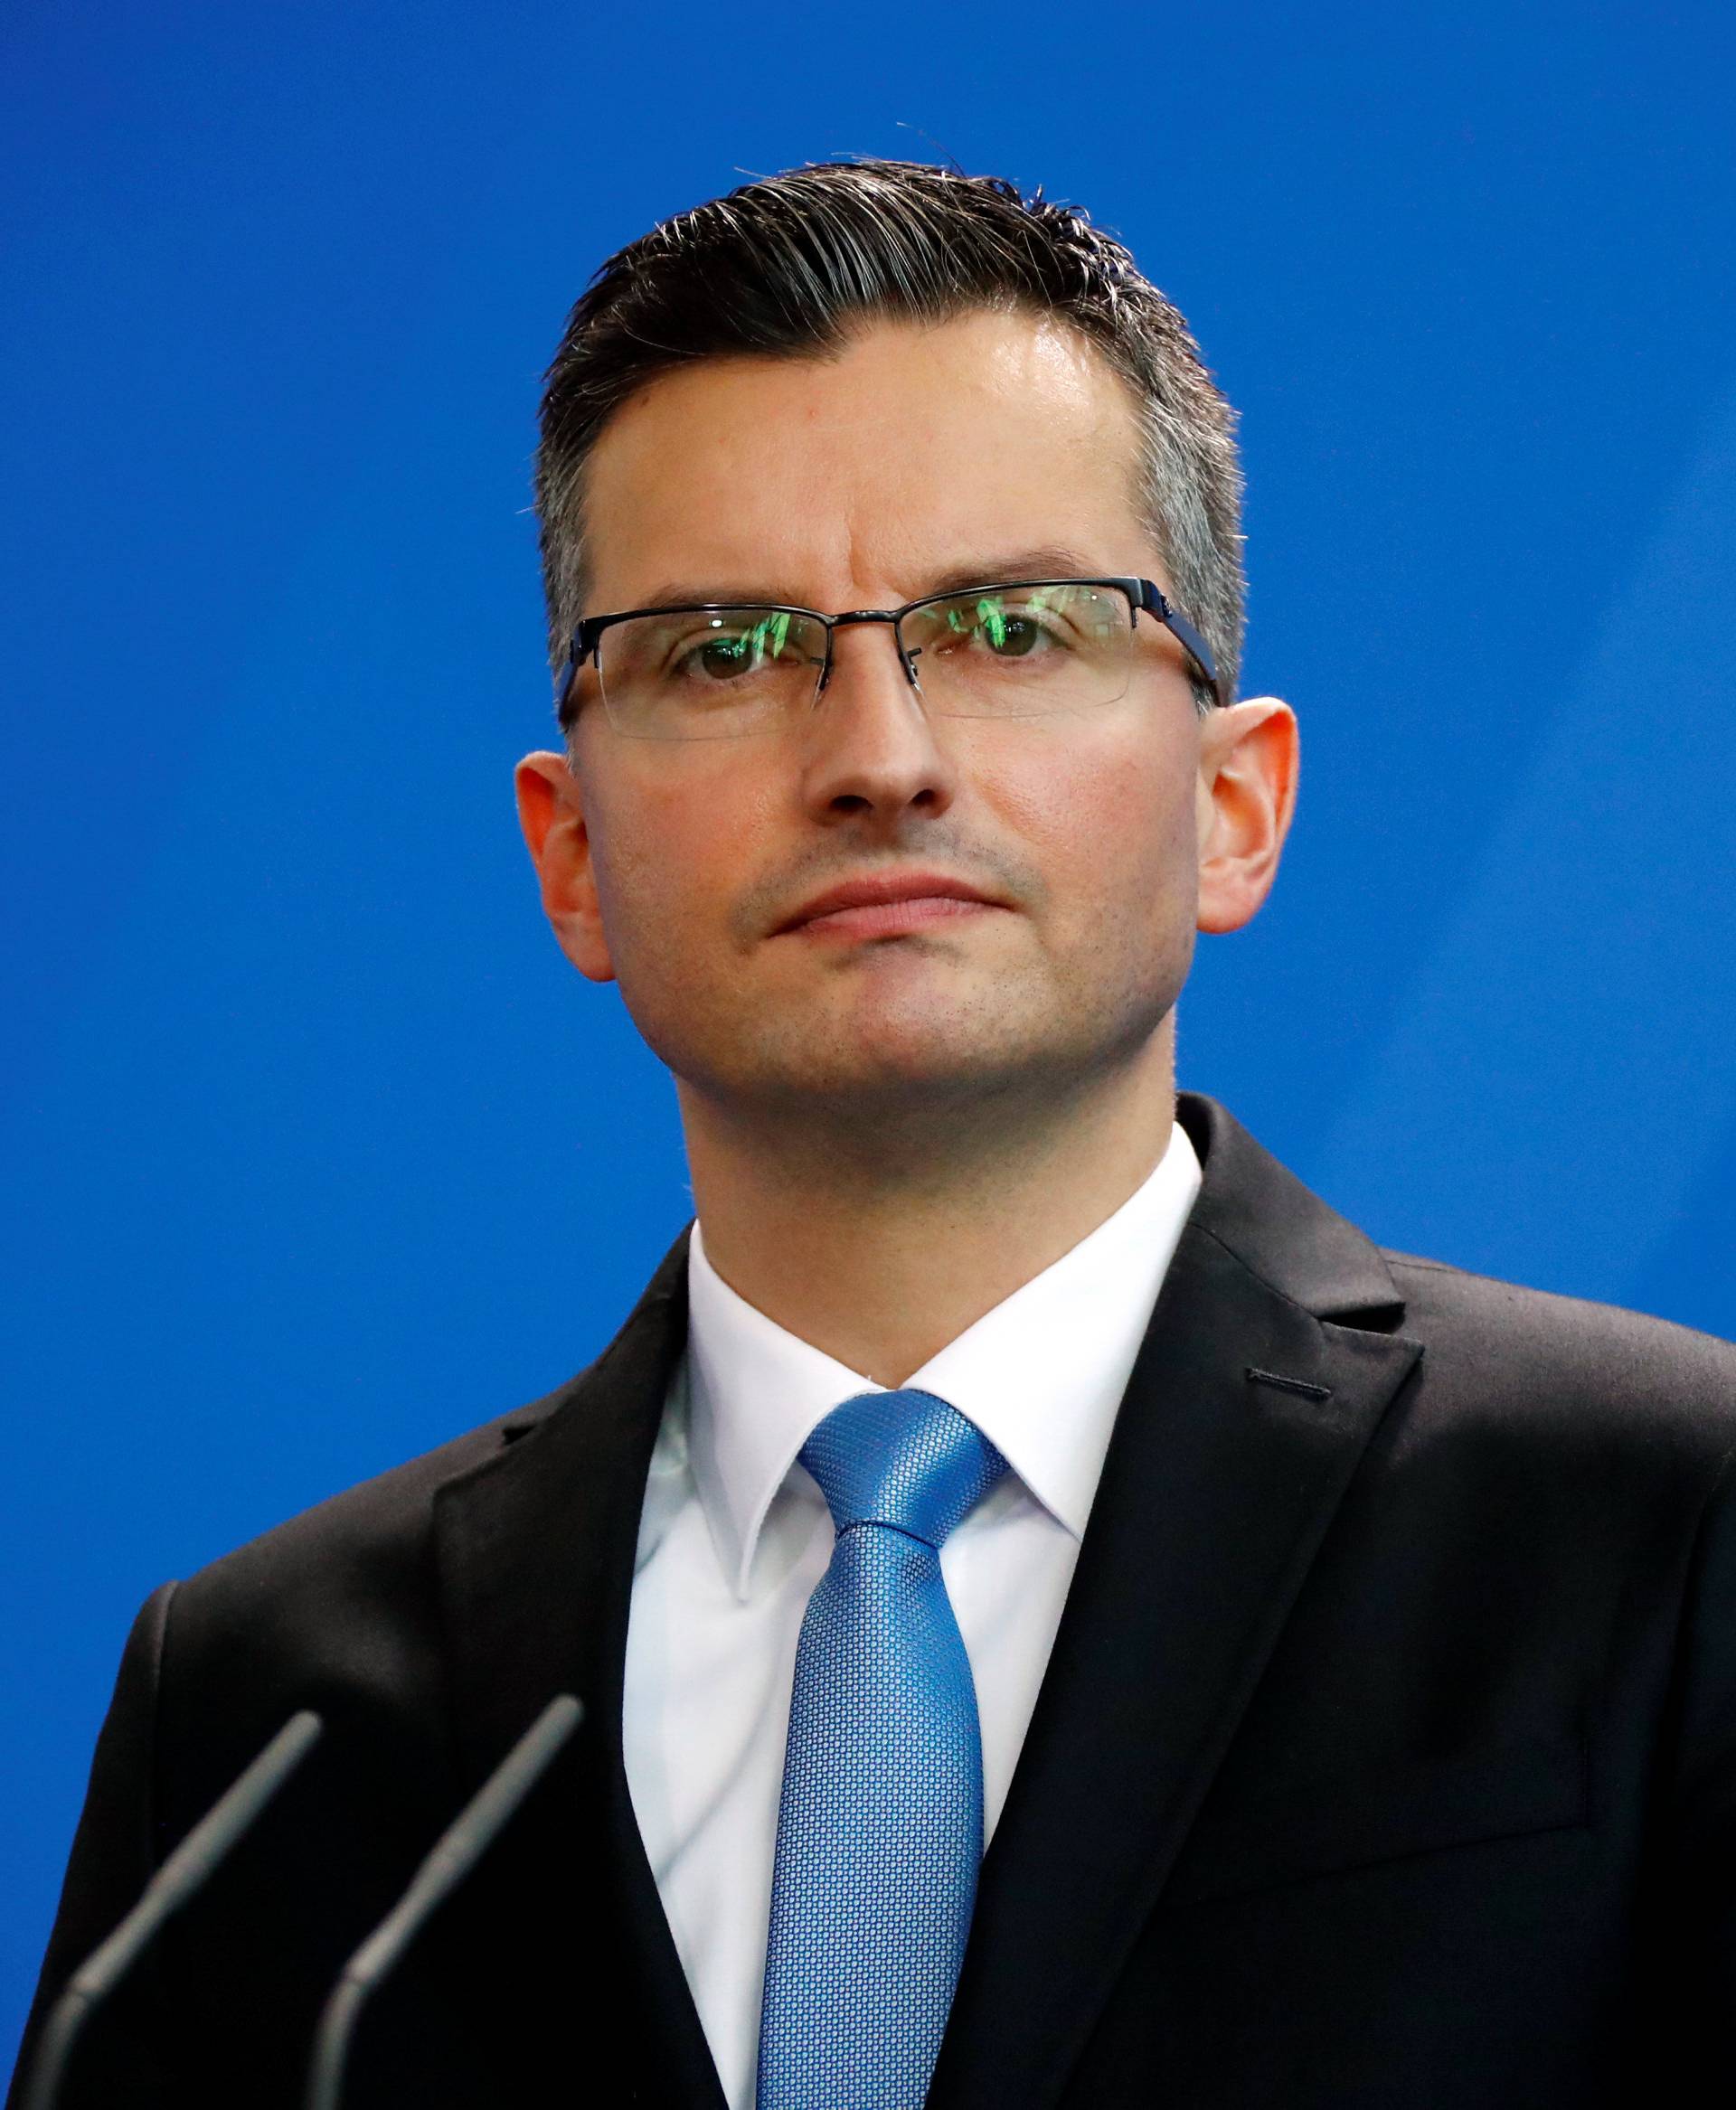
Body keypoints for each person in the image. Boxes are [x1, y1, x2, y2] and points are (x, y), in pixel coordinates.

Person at [12, 158, 1736, 2110]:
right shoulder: (259, 1711)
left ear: (1234, 805)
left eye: (1011, 627)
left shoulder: (1672, 1527)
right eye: (726, 653)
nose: (878, 760)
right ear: (568, 857)